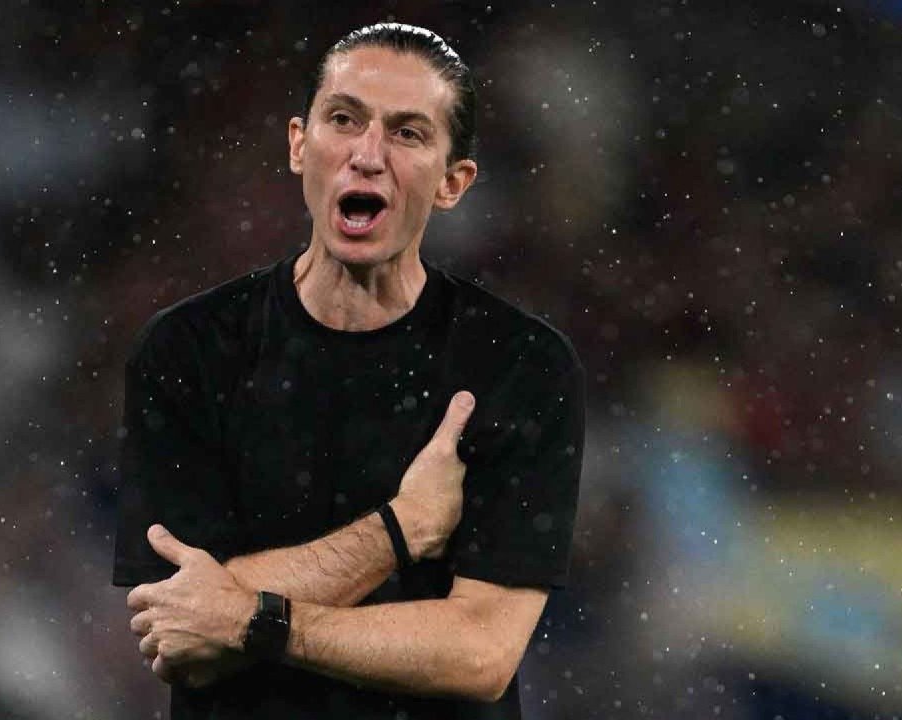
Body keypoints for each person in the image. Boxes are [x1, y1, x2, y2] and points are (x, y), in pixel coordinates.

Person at [112, 22, 584, 720]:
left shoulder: (519, 364)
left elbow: (480, 653)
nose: (367, 156)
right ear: (299, 144)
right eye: (343, 119)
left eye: (408, 133)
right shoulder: (188, 350)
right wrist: (399, 530)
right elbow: (180, 634)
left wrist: (255, 618)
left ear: (453, 182)